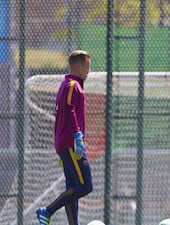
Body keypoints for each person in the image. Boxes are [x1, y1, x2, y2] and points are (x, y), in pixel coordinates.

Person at [36, 50, 93, 225]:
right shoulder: (71, 85)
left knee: (73, 188)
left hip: (67, 144)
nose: (88, 71)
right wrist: (77, 136)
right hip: (70, 144)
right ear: (78, 66)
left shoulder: (71, 84)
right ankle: (47, 211)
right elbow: (69, 109)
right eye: (87, 67)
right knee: (85, 186)